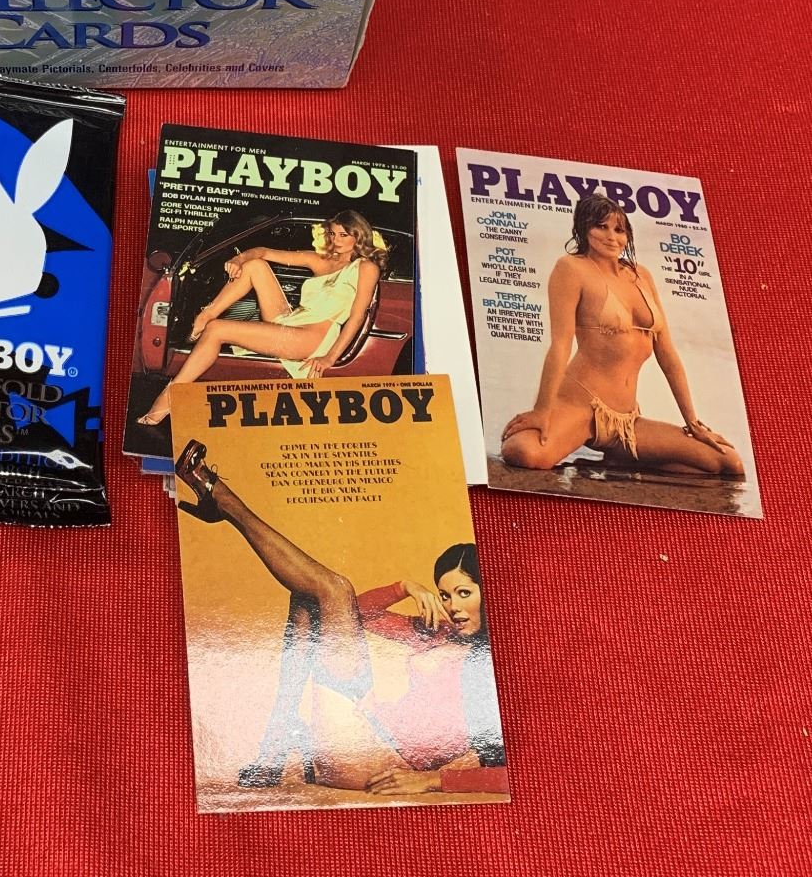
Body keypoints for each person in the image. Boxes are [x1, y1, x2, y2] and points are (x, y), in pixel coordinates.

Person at [174, 441, 507, 796]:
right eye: (444, 595)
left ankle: (222, 501)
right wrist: (403, 587)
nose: (452, 606)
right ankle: (277, 739)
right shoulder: (436, 632)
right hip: (358, 728)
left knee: (334, 590)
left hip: (373, 758)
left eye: (464, 593)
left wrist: (433, 780)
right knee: (312, 599)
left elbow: (504, 772)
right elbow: (355, 615)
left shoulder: (492, 661)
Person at [500, 194, 744, 480]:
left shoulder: (641, 276)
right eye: (601, 227)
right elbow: (560, 345)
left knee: (727, 462)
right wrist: (541, 410)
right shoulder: (571, 269)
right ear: (584, 228)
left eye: (619, 229)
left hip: (628, 421)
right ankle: (590, 442)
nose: (611, 237)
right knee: (523, 452)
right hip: (581, 408)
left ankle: (621, 457)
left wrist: (692, 422)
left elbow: (667, 354)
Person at [137, 212, 381, 427]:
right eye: (333, 233)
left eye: (343, 235)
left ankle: (169, 398)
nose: (336, 240)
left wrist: (329, 358)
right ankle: (206, 313)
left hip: (313, 337)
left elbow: (357, 316)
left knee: (217, 329)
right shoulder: (321, 260)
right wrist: (238, 260)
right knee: (255, 265)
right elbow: (262, 251)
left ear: (358, 236)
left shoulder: (365, 268)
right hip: (292, 320)